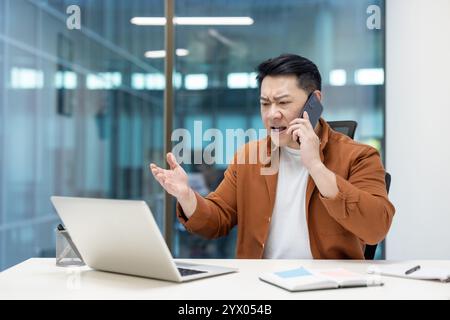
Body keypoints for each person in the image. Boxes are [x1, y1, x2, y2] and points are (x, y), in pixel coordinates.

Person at [150, 53, 395, 259]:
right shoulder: (250, 157)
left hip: (327, 289)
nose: (272, 114)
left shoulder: (360, 156)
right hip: (259, 287)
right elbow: (217, 220)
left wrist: (316, 166)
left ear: (315, 102)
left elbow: (376, 228)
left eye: (283, 103)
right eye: (265, 103)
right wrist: (186, 196)